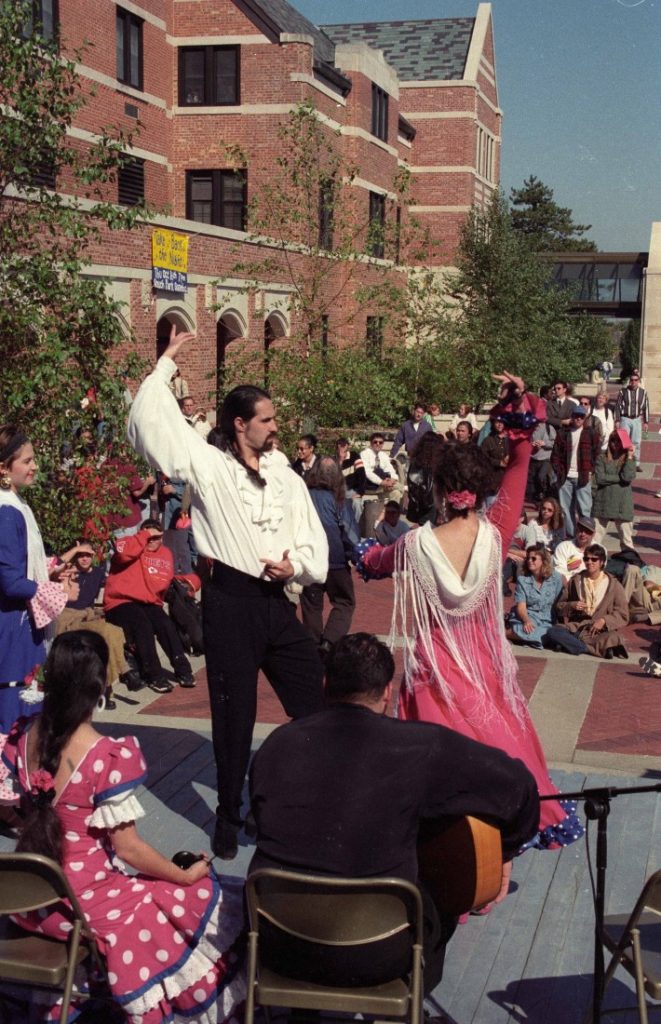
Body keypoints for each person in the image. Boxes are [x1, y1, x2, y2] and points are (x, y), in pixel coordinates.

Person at [128, 325, 328, 860]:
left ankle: (296, 800)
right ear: (240, 425)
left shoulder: (285, 475)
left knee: (314, 704)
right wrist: (167, 361)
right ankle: (228, 815)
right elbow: (157, 428)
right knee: (233, 715)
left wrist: (298, 566)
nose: (276, 427)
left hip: (275, 604)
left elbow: (311, 534)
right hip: (229, 604)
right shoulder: (212, 467)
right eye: (267, 420)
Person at [360, 373, 583, 849]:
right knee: (496, 749)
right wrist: (517, 404)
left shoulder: (415, 545)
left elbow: (374, 562)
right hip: (482, 663)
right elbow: (521, 462)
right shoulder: (497, 530)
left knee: (436, 778)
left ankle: (454, 864)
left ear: (440, 489)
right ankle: (498, 853)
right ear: (479, 488)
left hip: (435, 671)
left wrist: (363, 553)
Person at [249, 632, 540, 995]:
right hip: (379, 953)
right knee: (442, 893)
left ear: (325, 685)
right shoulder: (421, 745)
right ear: (388, 691)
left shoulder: (276, 745)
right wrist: (503, 851)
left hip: (277, 941)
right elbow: (520, 786)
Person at [2, 631, 246, 1024]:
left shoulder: (22, 736)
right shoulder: (105, 755)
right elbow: (129, 850)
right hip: (84, 905)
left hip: (33, 901)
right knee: (210, 895)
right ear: (100, 685)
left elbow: (11, 811)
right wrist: (182, 876)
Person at [0, 425, 74, 733]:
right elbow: (9, 579)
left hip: (21, 624)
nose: (35, 467)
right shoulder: (5, 510)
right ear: (4, 467)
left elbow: (20, 561)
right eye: (27, 461)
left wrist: (51, 570)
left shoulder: (15, 504)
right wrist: (52, 593)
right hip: (12, 627)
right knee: (14, 708)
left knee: (27, 704)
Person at [103, 519, 195, 693]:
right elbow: (123, 555)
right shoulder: (129, 543)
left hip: (148, 601)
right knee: (142, 624)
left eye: (156, 537)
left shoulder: (165, 553)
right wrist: (143, 537)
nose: (152, 541)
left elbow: (160, 584)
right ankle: (154, 675)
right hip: (120, 601)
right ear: (141, 534)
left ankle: (183, 670)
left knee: (165, 624)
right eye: (148, 536)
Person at [55, 540, 136, 707]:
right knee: (105, 631)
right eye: (80, 555)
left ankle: (112, 683)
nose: (84, 559)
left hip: (89, 615)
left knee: (115, 631)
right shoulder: (67, 572)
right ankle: (121, 675)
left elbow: (106, 594)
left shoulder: (98, 573)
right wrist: (75, 548)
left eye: (88, 555)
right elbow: (55, 565)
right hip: (69, 617)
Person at [300, 456, 360, 656]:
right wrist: (356, 555)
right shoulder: (340, 500)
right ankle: (329, 641)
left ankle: (313, 643)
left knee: (311, 605)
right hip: (335, 560)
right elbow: (350, 533)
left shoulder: (304, 496)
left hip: (309, 558)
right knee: (344, 602)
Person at [550, 544, 629, 659]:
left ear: (602, 562)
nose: (589, 562)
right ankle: (590, 648)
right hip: (577, 627)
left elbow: (623, 613)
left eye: (594, 559)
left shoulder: (614, 585)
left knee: (614, 637)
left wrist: (604, 620)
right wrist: (572, 605)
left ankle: (570, 645)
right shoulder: (576, 580)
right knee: (553, 632)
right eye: (586, 559)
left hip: (599, 631)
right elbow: (559, 606)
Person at [550, 404, 600, 537]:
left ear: (585, 418)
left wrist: (591, 471)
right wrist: (559, 470)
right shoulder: (563, 433)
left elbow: (597, 454)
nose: (578, 419)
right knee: (566, 510)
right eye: (576, 416)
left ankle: (586, 536)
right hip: (565, 477)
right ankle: (572, 536)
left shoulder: (591, 433)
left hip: (583, 476)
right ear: (572, 417)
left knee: (584, 509)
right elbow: (555, 455)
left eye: (581, 417)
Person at [507, 544, 564, 650]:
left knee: (546, 631)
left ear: (543, 560)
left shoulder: (556, 578)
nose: (529, 561)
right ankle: (505, 634)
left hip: (547, 618)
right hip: (529, 616)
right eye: (528, 558)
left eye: (533, 558)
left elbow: (558, 601)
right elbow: (521, 606)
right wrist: (526, 620)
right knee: (527, 629)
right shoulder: (523, 580)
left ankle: (533, 638)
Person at [592, 429, 637, 550]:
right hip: (603, 501)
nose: (615, 443)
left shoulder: (630, 459)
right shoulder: (601, 458)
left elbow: (627, 477)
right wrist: (619, 478)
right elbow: (600, 478)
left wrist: (630, 455)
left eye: (619, 440)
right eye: (613, 440)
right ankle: (592, 563)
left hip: (622, 504)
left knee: (626, 542)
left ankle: (631, 566)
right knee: (594, 540)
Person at [615, 369, 649, 465]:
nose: (633, 382)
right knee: (624, 441)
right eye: (632, 380)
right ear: (629, 381)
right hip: (625, 419)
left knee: (636, 442)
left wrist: (646, 422)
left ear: (638, 381)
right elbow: (618, 406)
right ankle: (622, 461)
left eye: (635, 380)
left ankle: (636, 463)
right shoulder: (623, 391)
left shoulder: (643, 392)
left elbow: (646, 407)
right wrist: (617, 420)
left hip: (637, 420)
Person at [553, 514, 597, 581]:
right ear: (576, 530)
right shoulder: (563, 547)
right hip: (568, 585)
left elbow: (598, 573)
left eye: (587, 531)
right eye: (580, 530)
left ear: (593, 534)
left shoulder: (599, 550)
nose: (583, 534)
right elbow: (560, 573)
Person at [481, 416, 510, 489]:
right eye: (497, 422)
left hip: (508, 476)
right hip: (493, 477)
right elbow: (482, 458)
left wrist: (510, 457)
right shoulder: (488, 440)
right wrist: (499, 463)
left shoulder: (510, 440)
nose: (500, 424)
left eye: (502, 422)